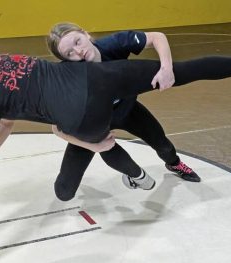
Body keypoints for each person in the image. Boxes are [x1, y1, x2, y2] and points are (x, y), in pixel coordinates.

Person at [0, 17, 231, 246]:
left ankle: (139, 177)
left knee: (99, 140)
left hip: (81, 116)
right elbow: (6, 124)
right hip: (96, 78)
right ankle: (136, 173)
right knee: (185, 71)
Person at [46, 23, 195, 201]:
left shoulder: (114, 45)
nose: (78, 52)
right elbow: (56, 128)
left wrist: (166, 69)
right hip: (91, 126)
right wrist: (93, 146)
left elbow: (157, 36)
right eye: (69, 53)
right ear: (66, 60)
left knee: (164, 146)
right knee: (63, 192)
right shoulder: (67, 77)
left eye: (78, 42)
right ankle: (131, 173)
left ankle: (175, 164)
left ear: (85, 33)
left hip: (127, 111)